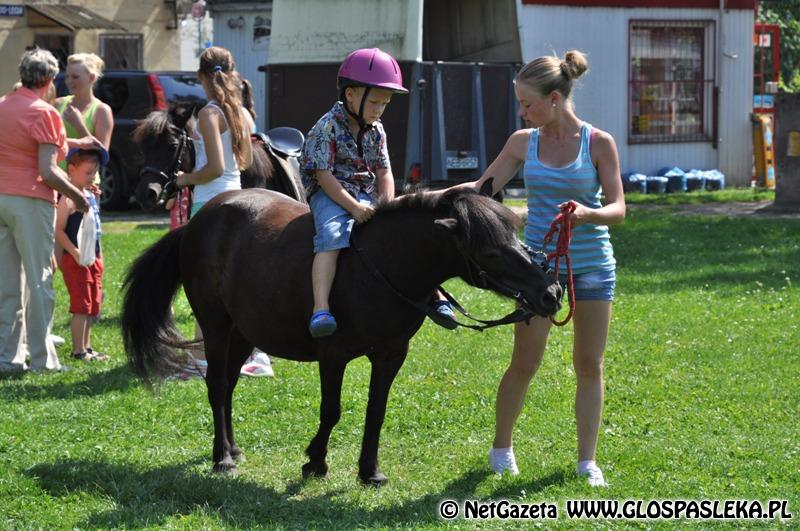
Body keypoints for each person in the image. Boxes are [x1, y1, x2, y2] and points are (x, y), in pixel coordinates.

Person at [468, 51, 625, 486]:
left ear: (555, 98)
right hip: (537, 269)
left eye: (527, 103)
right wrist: (429, 198)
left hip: (592, 267)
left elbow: (618, 208)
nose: (522, 112)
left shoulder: (598, 143)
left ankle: (587, 462)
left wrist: (587, 215)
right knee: (525, 362)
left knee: (589, 364)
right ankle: (501, 449)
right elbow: (484, 187)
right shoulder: (524, 142)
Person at [301, 48, 456, 338]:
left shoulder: (377, 130)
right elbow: (323, 176)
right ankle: (320, 308)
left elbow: (383, 171)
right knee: (332, 236)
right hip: (331, 192)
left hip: (366, 189)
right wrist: (354, 208)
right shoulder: (325, 128)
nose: (379, 110)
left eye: (384, 104)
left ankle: (437, 297)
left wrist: (387, 204)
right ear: (350, 95)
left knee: (402, 231)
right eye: (374, 102)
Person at [0, 48, 92, 373]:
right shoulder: (45, 112)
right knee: (39, 281)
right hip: (31, 200)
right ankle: (42, 360)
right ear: (51, 79)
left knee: (7, 283)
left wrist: (74, 144)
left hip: (1, 199)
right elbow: (48, 169)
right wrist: (77, 196)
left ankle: (8, 358)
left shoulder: (3, 104)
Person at [174, 46, 255, 377]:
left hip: (209, 199)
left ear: (200, 77)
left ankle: (202, 358)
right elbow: (245, 162)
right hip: (237, 194)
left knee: (203, 287)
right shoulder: (241, 112)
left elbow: (214, 167)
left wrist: (184, 179)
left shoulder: (208, 113)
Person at [55, 147, 109, 362]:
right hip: (76, 259)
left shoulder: (90, 194)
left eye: (94, 173)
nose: (91, 177)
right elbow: (58, 230)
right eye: (87, 172)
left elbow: (95, 230)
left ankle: (87, 348)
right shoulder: (68, 198)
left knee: (92, 306)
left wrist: (100, 257)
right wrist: (75, 253)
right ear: (71, 169)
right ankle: (78, 351)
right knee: (81, 306)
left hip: (92, 258)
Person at [55, 53, 113, 170]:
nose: (69, 81)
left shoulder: (101, 110)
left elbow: (100, 156)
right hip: (57, 179)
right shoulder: (58, 104)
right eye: (67, 76)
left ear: (92, 78)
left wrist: (79, 125)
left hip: (85, 182)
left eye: (75, 77)